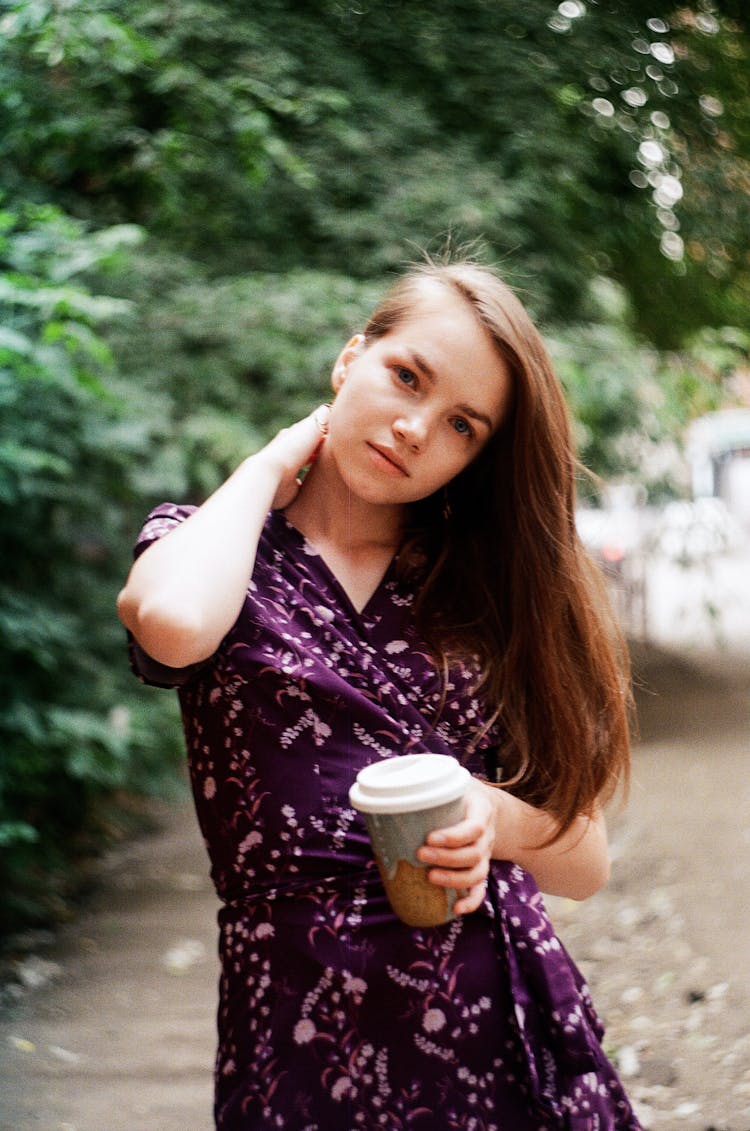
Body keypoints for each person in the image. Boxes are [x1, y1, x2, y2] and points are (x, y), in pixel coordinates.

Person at [117, 256, 641, 1130]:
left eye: (461, 425)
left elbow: (584, 863)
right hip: (297, 1036)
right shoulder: (215, 547)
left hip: (502, 1042)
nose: (413, 428)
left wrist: (491, 816)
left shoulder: (480, 594)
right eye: (406, 376)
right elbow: (170, 622)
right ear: (350, 355)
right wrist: (278, 456)